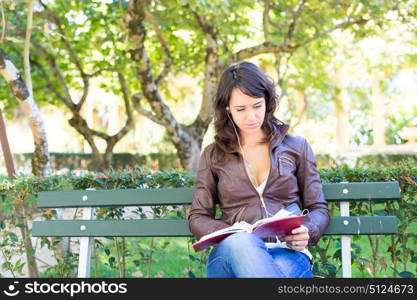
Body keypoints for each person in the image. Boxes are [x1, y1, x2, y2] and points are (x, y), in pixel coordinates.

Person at [188, 61, 330, 278]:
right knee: (243, 242)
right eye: (241, 109)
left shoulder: (296, 147)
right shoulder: (213, 155)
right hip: (230, 254)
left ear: (267, 102)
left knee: (279, 271)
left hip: (288, 252)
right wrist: (232, 232)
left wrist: (308, 231)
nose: (251, 116)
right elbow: (198, 217)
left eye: (257, 106)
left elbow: (317, 207)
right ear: (227, 108)